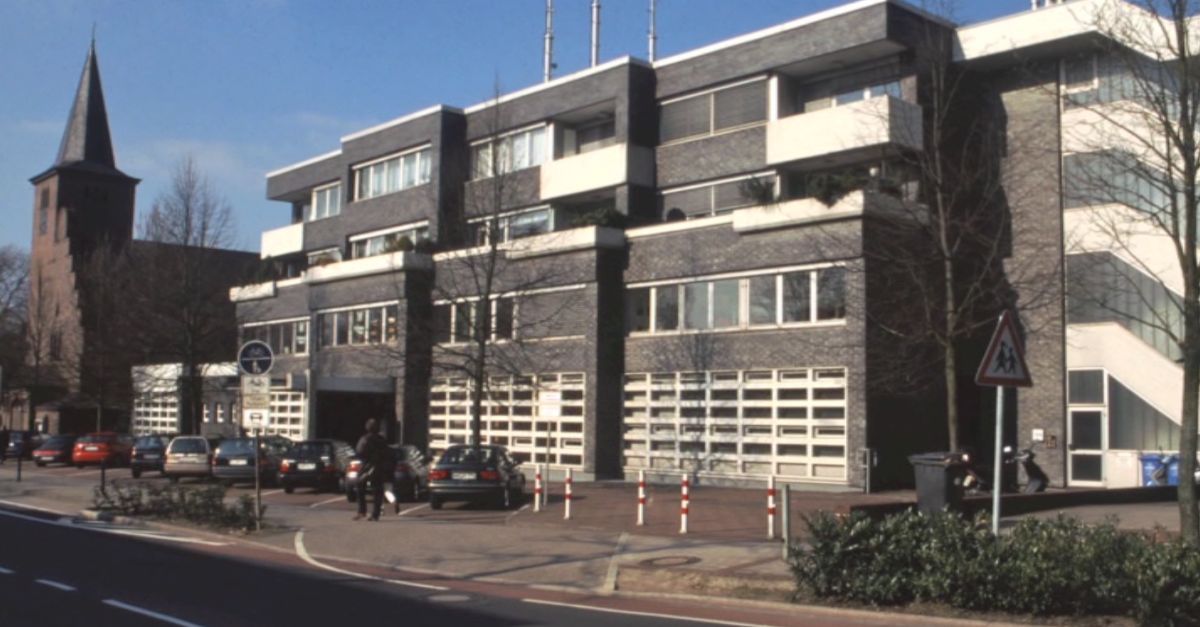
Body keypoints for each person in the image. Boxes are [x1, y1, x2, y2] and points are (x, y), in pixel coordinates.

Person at [353, 418, 393, 521]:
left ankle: (362, 511)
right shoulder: (382, 440)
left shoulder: (365, 439)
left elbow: (359, 452)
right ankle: (375, 514)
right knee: (377, 491)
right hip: (378, 467)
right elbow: (388, 454)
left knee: (360, 487)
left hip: (367, 466)